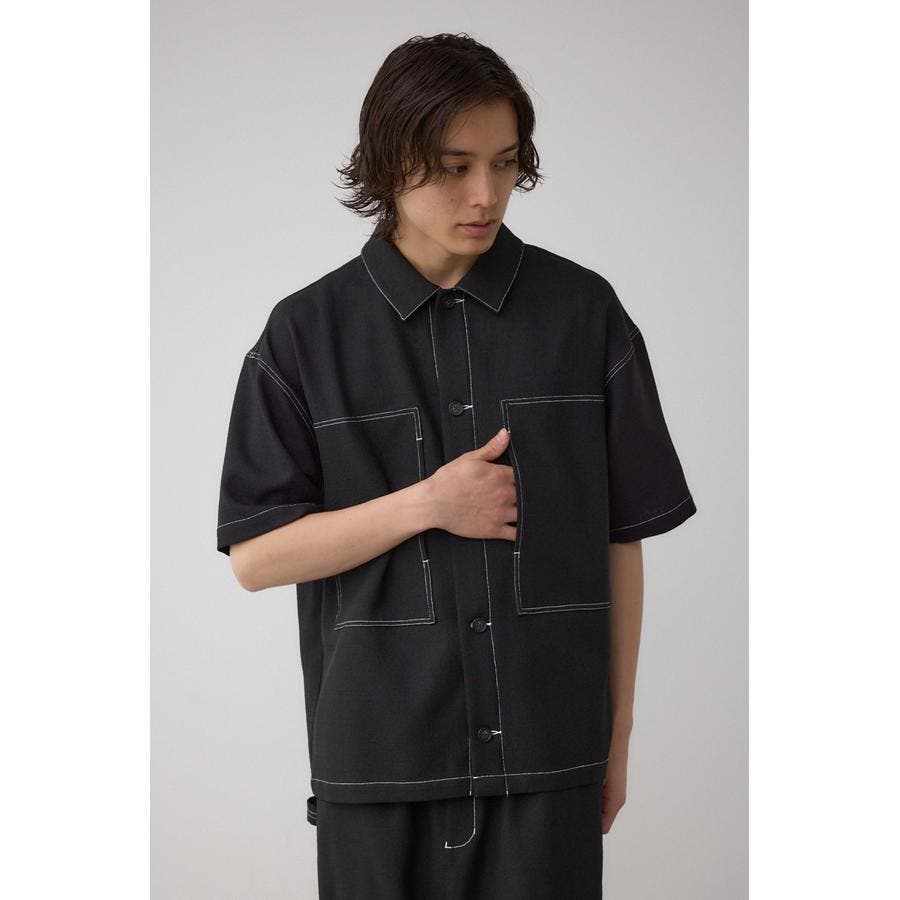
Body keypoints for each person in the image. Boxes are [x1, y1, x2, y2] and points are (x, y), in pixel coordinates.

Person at [216, 32, 697, 899]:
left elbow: (621, 539)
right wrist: (428, 503)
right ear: (388, 163)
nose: (486, 195)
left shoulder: (584, 315)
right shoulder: (304, 335)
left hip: (550, 760)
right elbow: (257, 557)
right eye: (453, 167)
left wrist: (616, 739)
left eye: (505, 164)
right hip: (378, 768)